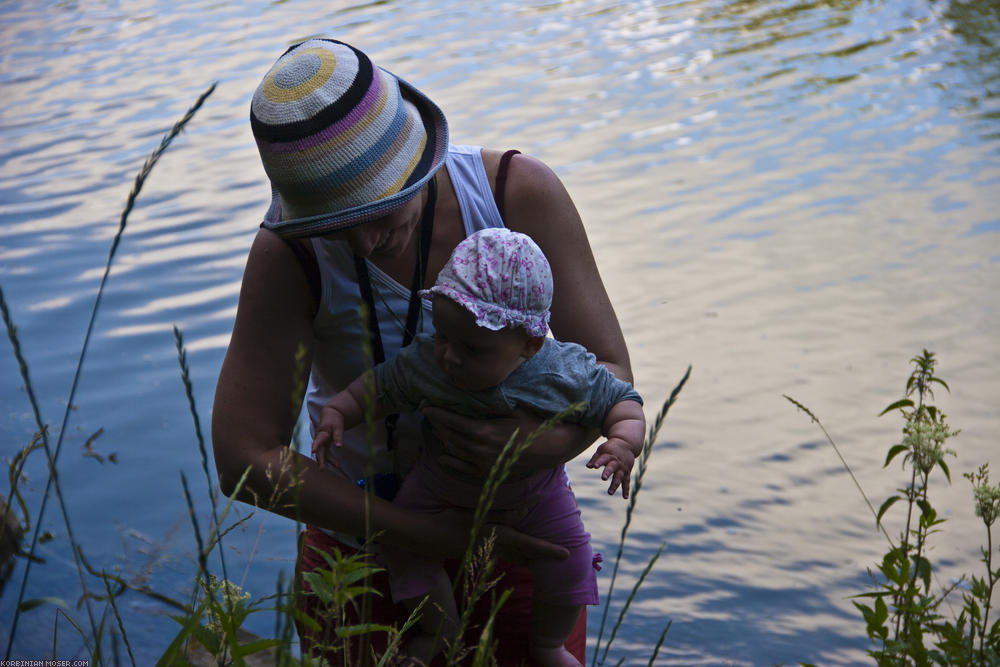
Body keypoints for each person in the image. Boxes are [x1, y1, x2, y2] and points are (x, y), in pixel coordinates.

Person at [211, 37, 636, 665]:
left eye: (379, 207)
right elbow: (243, 458)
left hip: (517, 535)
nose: (363, 242)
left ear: (420, 158)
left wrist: (543, 446)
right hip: (358, 559)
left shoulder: (515, 196)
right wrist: (425, 534)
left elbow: (611, 374)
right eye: (330, 220)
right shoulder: (288, 254)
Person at [311, 228, 645, 666]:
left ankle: (548, 645)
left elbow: (622, 402)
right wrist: (339, 411)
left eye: (472, 348)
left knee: (570, 559)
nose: (449, 356)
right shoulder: (426, 362)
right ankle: (436, 631)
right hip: (436, 489)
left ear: (528, 344)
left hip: (536, 497)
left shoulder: (562, 371)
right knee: (405, 548)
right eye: (444, 336)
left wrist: (622, 442)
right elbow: (377, 389)